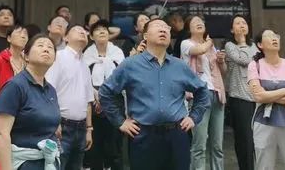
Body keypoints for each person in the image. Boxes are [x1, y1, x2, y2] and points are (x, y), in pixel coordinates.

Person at [99, 18, 210, 170]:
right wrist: (120, 122)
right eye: (158, 26)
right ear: (145, 36)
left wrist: (193, 117)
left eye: (166, 27)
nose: (163, 30)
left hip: (177, 134)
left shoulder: (179, 66)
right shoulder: (131, 64)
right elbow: (106, 92)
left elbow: (202, 90)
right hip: (143, 136)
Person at [0, 34, 61, 170]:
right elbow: (2, 134)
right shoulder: (15, 86)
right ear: (26, 56)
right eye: (40, 45)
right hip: (24, 163)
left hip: (48, 162)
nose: (46, 49)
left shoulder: (51, 90)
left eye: (50, 47)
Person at [247, 29, 285, 170]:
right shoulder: (255, 66)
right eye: (269, 36)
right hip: (264, 121)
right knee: (263, 166)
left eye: (276, 36)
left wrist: (268, 95)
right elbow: (258, 96)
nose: (274, 39)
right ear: (260, 44)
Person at [46, 24, 95, 170]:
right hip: (62, 126)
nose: (82, 32)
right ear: (66, 37)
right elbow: (49, 91)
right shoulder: (58, 57)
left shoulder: (85, 64)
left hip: (81, 128)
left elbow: (88, 100)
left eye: (84, 31)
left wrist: (89, 129)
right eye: (77, 30)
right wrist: (54, 122)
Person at [180, 15, 226, 170]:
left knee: (217, 145)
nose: (199, 23)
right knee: (199, 144)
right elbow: (199, 50)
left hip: (217, 94)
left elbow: (223, 71)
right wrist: (209, 42)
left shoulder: (210, 47)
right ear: (189, 28)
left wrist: (221, 61)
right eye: (195, 22)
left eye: (201, 22)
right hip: (199, 96)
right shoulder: (186, 44)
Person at [0, 24, 29, 170]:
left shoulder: (28, 63)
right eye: (19, 33)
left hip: (21, 123)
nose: (23, 36)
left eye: (25, 34)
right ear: (8, 38)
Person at [83, 20, 125, 170]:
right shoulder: (86, 55)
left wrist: (105, 96)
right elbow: (83, 79)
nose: (102, 32)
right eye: (97, 30)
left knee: (114, 147)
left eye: (105, 29)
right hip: (93, 103)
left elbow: (122, 78)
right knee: (95, 147)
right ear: (91, 36)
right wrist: (96, 95)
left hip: (114, 102)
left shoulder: (117, 52)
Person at [224, 14, 258, 170]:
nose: (242, 25)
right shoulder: (229, 46)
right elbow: (243, 60)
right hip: (239, 97)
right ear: (232, 29)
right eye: (237, 23)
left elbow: (258, 62)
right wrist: (243, 43)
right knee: (245, 138)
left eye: (244, 22)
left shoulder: (255, 45)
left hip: (256, 97)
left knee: (257, 137)